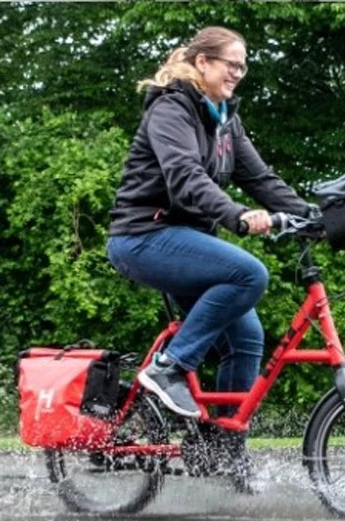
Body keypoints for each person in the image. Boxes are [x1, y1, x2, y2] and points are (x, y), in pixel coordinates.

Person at [107, 26, 311, 420]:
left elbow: (259, 179)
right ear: (203, 62)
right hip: (141, 236)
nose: (237, 72)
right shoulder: (171, 109)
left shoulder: (225, 121)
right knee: (249, 273)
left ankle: (222, 450)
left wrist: (315, 216)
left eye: (243, 67)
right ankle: (169, 369)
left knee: (246, 336)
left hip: (183, 240)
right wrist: (236, 215)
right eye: (231, 64)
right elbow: (185, 176)